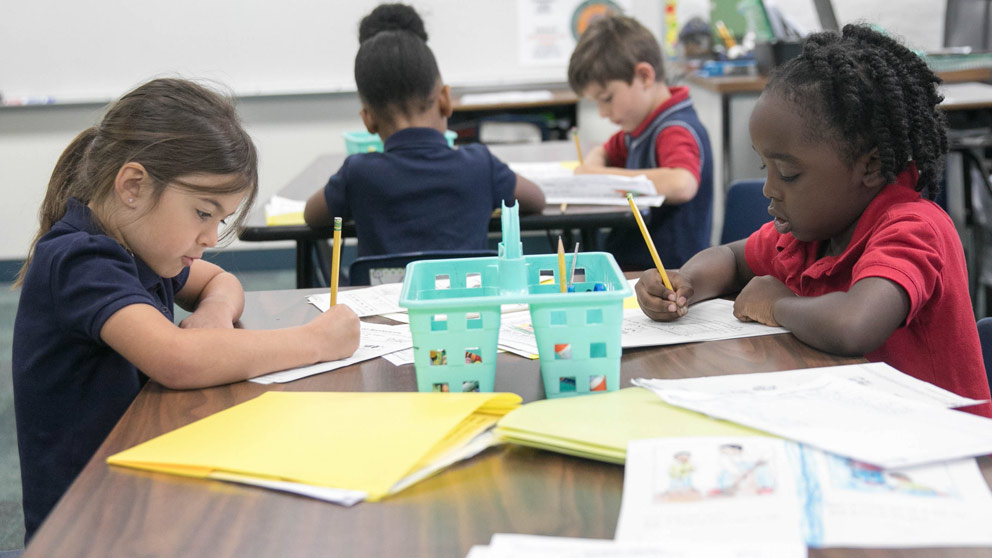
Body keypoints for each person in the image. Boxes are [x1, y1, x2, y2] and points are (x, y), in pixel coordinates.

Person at [12, 78, 361, 542]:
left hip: (136, 485)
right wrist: (317, 341)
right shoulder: (81, 260)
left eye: (220, 220)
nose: (211, 238)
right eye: (203, 213)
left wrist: (214, 315)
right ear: (133, 185)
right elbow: (176, 360)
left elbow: (221, 281)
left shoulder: (139, 245)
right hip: (88, 526)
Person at [634, 24, 992, 418]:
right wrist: (683, 284)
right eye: (764, 166)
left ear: (870, 165)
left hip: (942, 450)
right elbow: (732, 260)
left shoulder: (913, 228)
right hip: (855, 425)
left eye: (787, 174)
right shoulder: (814, 231)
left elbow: (855, 324)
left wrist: (780, 305)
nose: (769, 188)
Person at [304, 3, 546, 258]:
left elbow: (311, 215)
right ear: (445, 100)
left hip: (381, 298)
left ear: (368, 120)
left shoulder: (358, 173)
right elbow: (537, 200)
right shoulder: (480, 165)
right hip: (467, 297)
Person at [567, 15, 712, 270]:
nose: (602, 112)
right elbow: (604, 151)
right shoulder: (641, 125)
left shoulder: (674, 129)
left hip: (667, 276)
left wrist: (597, 175)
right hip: (636, 265)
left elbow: (682, 183)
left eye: (607, 98)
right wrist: (592, 170)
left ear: (644, 76)